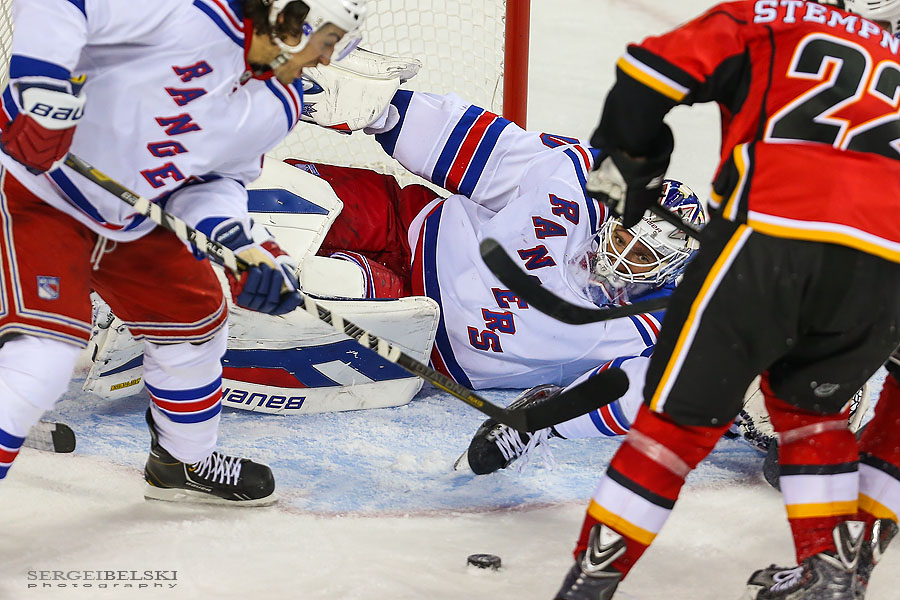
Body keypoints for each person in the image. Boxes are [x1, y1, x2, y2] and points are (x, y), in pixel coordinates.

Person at [551, 1, 900, 599]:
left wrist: (631, 159)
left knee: (673, 424)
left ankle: (587, 588)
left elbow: (650, 73)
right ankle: (832, 575)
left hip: (770, 236)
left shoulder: (773, 15)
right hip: (883, 267)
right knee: (813, 414)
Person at [0, 0, 366, 506]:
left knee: (195, 326)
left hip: (132, 219)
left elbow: (216, 180)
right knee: (44, 352)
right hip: (38, 191)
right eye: (327, 40)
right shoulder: (183, 10)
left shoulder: (278, 104)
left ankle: (180, 462)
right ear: (288, 16)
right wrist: (41, 92)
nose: (326, 59)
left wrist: (244, 249)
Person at [276, 90, 705, 473]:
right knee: (286, 195)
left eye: (646, 255)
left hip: (420, 332)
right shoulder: (579, 179)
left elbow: (635, 391)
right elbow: (486, 148)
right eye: (625, 234)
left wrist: (540, 423)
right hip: (407, 224)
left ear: (671, 269)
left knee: (327, 287)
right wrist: (384, 110)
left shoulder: (661, 327)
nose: (625, 255)